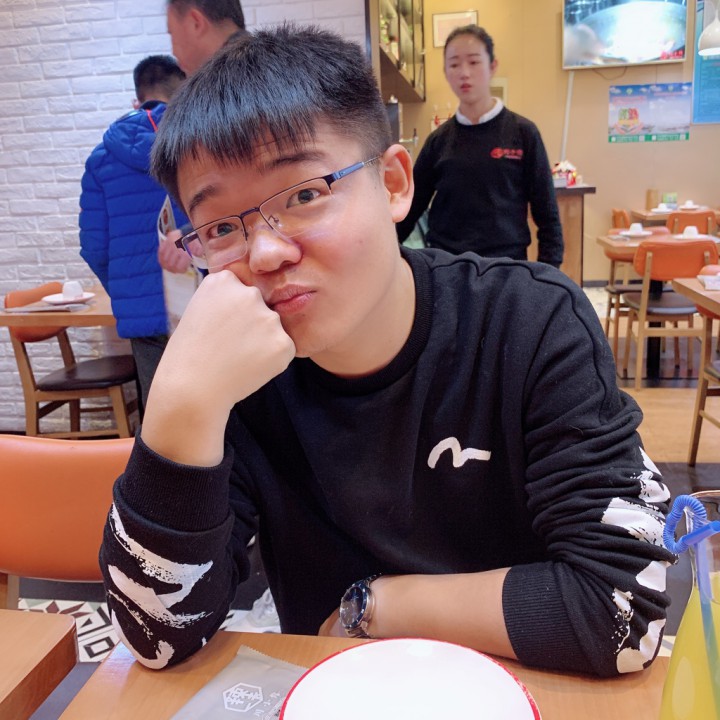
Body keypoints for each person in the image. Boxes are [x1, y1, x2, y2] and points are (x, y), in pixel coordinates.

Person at [100, 24, 673, 678]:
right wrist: (182, 400)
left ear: (395, 183)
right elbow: (155, 638)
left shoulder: (528, 321)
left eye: (304, 194)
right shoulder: (238, 374)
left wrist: (375, 605)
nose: (266, 252)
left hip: (522, 687)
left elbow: (626, 609)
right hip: (340, 693)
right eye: (222, 227)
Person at [396, 25, 564, 268]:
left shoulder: (524, 133)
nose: (464, 73)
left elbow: (547, 215)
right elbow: (409, 208)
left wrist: (548, 275)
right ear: (445, 72)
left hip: (507, 268)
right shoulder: (438, 141)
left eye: (474, 62)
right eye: (454, 64)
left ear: (492, 66)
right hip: (447, 269)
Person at [78, 55, 189, 408]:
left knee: (160, 416)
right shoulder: (198, 141)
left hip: (144, 318)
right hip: (203, 300)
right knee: (229, 410)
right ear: (183, 92)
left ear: (137, 99)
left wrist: (128, 291)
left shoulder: (101, 158)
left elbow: (94, 248)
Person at [157, 0, 249, 274]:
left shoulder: (234, 83)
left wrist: (194, 234)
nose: (173, 50)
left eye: (172, 34)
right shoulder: (264, 70)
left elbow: (249, 184)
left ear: (196, 22)